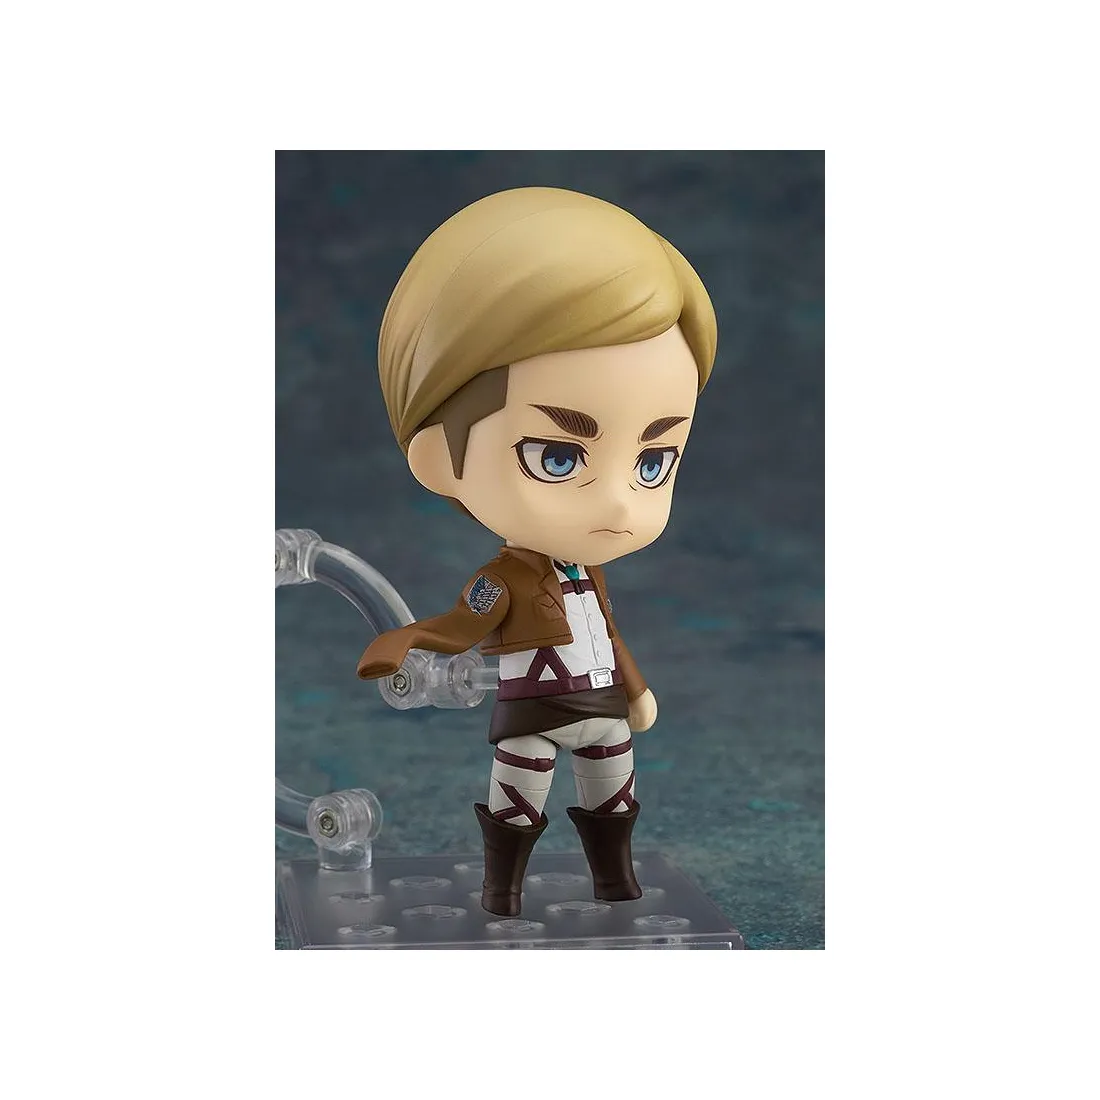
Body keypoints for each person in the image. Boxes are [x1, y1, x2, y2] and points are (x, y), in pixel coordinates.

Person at [356, 186, 718, 917]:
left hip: (603, 706)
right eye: (558, 457)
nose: (617, 502)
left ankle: (615, 881)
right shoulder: (504, 578)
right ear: (440, 455)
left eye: (653, 463)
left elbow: (607, 635)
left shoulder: (589, 575)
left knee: (615, 797)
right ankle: (503, 890)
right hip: (535, 712)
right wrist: (407, 639)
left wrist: (636, 688)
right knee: (517, 802)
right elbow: (464, 624)